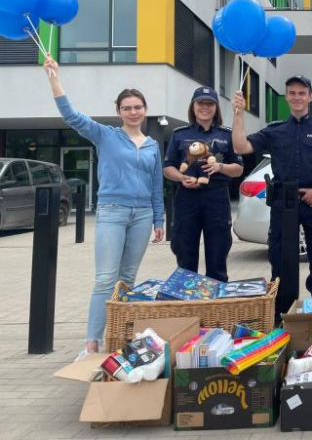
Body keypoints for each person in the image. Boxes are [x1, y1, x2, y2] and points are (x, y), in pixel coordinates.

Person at [43, 57, 164, 359]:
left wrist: (159, 219)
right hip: (112, 211)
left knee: (128, 279)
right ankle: (92, 343)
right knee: (106, 279)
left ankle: (118, 336)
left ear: (144, 109)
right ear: (119, 112)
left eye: (138, 107)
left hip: (143, 216)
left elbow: (157, 185)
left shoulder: (151, 145)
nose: (133, 112)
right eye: (127, 108)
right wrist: (54, 77)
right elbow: (71, 115)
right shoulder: (105, 135)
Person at [232, 75, 312, 294]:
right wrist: (238, 114)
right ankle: (281, 312)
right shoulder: (274, 130)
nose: (297, 97)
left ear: (310, 97)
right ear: (286, 97)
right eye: (292, 93)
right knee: (279, 257)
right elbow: (240, 147)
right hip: (283, 201)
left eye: (302, 93)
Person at [163, 87, 244, 282]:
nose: (205, 107)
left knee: (218, 255)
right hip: (186, 199)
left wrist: (220, 167)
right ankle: (188, 303)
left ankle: (217, 307)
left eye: (210, 104)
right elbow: (168, 168)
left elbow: (239, 169)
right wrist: (182, 178)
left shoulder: (227, 135)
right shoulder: (179, 134)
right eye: (201, 103)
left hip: (216, 197)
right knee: (185, 254)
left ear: (216, 108)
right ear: (193, 106)